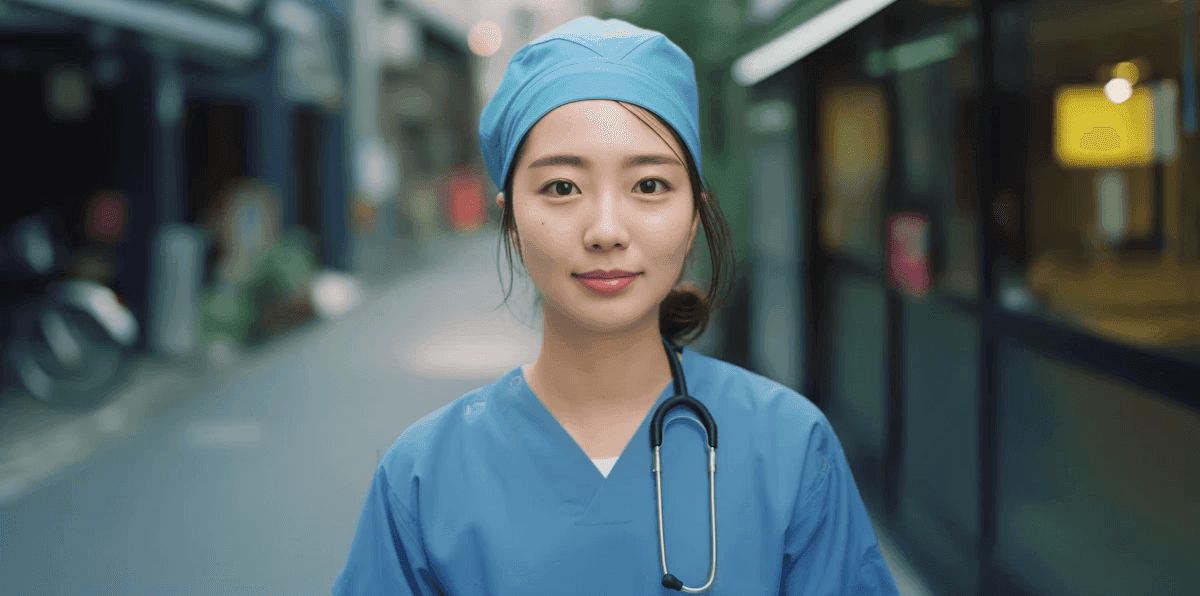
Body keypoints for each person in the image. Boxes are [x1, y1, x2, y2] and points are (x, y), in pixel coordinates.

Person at [332, 16, 901, 595]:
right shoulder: (423, 480)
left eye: (649, 185)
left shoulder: (791, 450)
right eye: (561, 187)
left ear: (693, 217)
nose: (606, 230)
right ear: (510, 222)